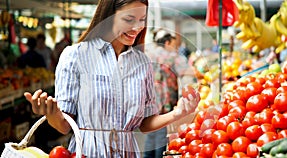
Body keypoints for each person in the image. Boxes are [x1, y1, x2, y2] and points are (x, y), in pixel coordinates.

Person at [23, 1, 199, 157]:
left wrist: (178, 114)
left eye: (142, 19)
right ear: (109, 16)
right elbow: (64, 125)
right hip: (87, 153)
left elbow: (145, 122)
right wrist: (51, 113)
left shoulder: (142, 62)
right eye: (129, 19)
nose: (137, 27)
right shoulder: (75, 55)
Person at [143, 29, 195, 158]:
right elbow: (187, 71)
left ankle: (148, 156)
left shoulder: (149, 53)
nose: (174, 47)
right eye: (173, 44)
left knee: (150, 128)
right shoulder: (169, 55)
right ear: (167, 43)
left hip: (148, 96)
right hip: (163, 97)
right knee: (161, 127)